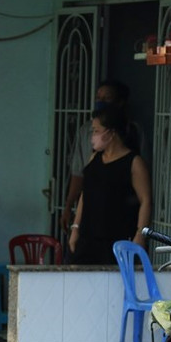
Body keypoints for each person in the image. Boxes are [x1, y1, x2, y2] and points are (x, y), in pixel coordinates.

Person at [68, 105, 151, 264]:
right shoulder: (94, 159)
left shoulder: (134, 162)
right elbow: (85, 196)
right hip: (87, 238)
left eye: (97, 131)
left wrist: (140, 235)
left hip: (116, 240)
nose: (93, 136)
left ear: (111, 132)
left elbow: (145, 201)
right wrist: (75, 228)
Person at [60, 80, 142, 233]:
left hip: (119, 216)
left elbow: (145, 198)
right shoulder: (87, 137)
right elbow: (80, 178)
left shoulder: (134, 137)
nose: (101, 102)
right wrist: (71, 212)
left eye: (107, 98)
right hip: (90, 218)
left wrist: (140, 234)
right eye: (98, 98)